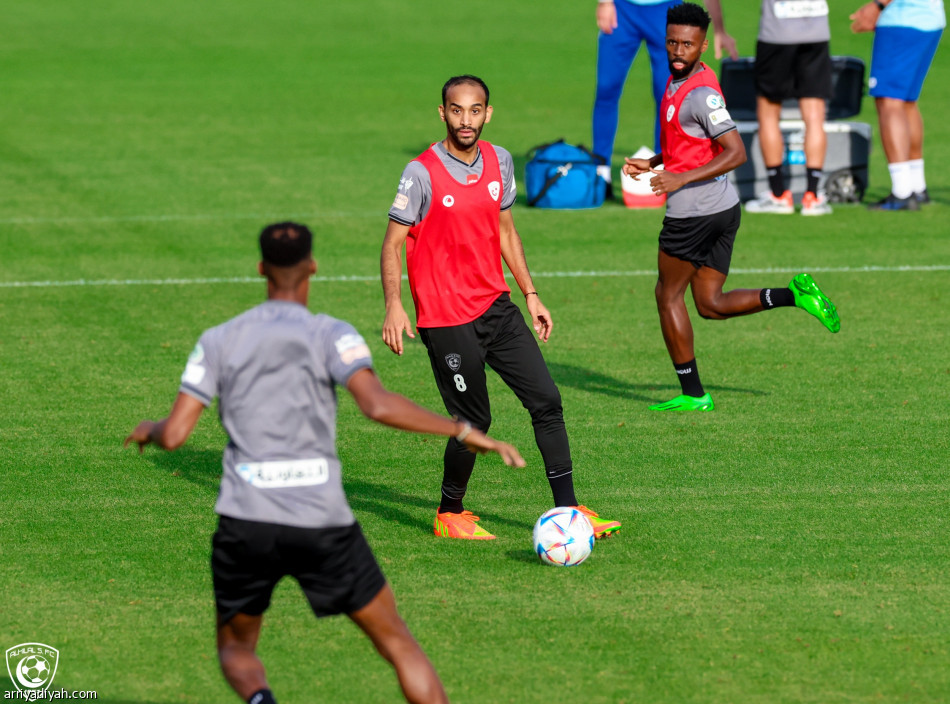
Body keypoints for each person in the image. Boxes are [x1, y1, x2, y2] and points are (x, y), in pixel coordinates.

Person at [125, 222, 527, 704]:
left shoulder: (218, 340)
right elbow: (377, 404)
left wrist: (150, 428)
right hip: (321, 519)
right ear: (313, 266)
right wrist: (461, 430)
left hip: (247, 522)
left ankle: (261, 699)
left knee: (235, 650)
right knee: (398, 644)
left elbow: (174, 435)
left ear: (261, 268)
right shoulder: (332, 334)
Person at [381, 75, 621, 540]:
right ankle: (449, 512)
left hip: (496, 306)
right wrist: (394, 304)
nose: (465, 119)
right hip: (446, 318)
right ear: (442, 112)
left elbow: (507, 231)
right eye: (456, 110)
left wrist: (531, 293)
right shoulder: (421, 172)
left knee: (547, 400)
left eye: (475, 110)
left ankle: (570, 509)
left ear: (487, 113)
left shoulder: (501, 161)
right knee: (474, 421)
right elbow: (392, 243)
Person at [622, 3, 841, 412]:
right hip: (722, 209)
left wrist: (679, 179)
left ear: (704, 45)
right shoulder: (681, 80)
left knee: (668, 296)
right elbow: (692, 143)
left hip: (694, 213)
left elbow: (735, 151)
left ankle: (693, 394)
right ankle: (794, 296)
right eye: (672, 42)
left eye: (688, 44)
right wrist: (653, 162)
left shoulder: (701, 94)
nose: (678, 51)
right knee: (710, 304)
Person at [592, 0, 737, 197]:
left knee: (669, 94)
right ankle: (601, 172)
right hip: (622, 9)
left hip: (665, 9)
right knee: (606, 88)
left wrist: (719, 29)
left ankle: (665, 172)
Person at [850, 0, 945, 210]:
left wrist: (878, 5)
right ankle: (916, 186)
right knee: (906, 101)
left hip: (903, 18)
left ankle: (902, 192)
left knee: (889, 101)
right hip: (929, 17)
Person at [743, 0, 835, 216]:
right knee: (814, 115)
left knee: (768, 112)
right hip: (816, 31)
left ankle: (778, 195)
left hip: (777, 33)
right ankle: (812, 196)